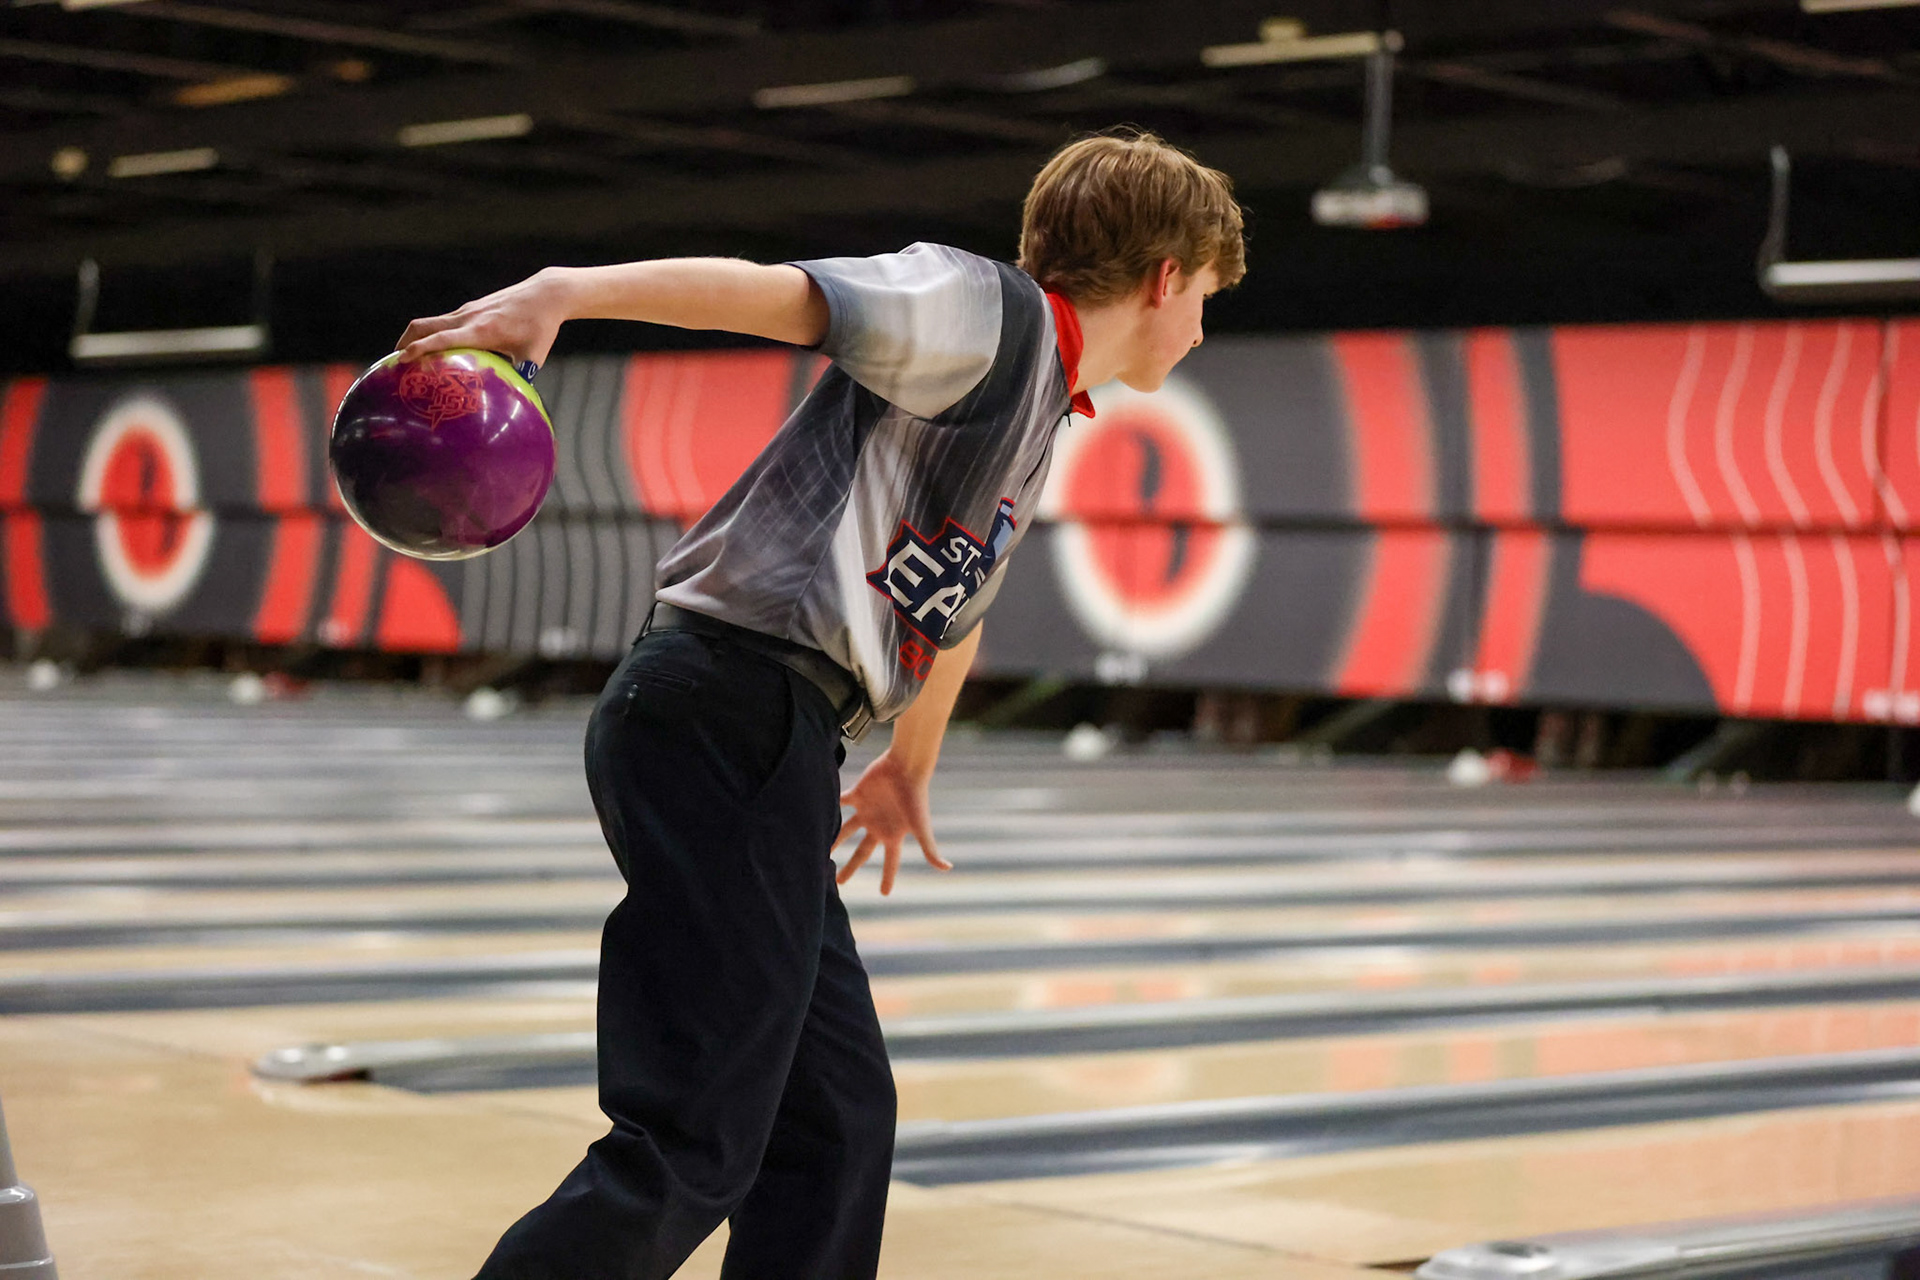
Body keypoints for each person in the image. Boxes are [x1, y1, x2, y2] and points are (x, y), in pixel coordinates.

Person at [395, 128, 1245, 1280]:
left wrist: (907, 766)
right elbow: (781, 296)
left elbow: (954, 610)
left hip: (767, 735)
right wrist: (564, 295)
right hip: (730, 709)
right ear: (1165, 276)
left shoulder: (1043, 396)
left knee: (836, 1121)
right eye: (1206, 294)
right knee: (692, 1142)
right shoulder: (979, 314)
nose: (1203, 324)